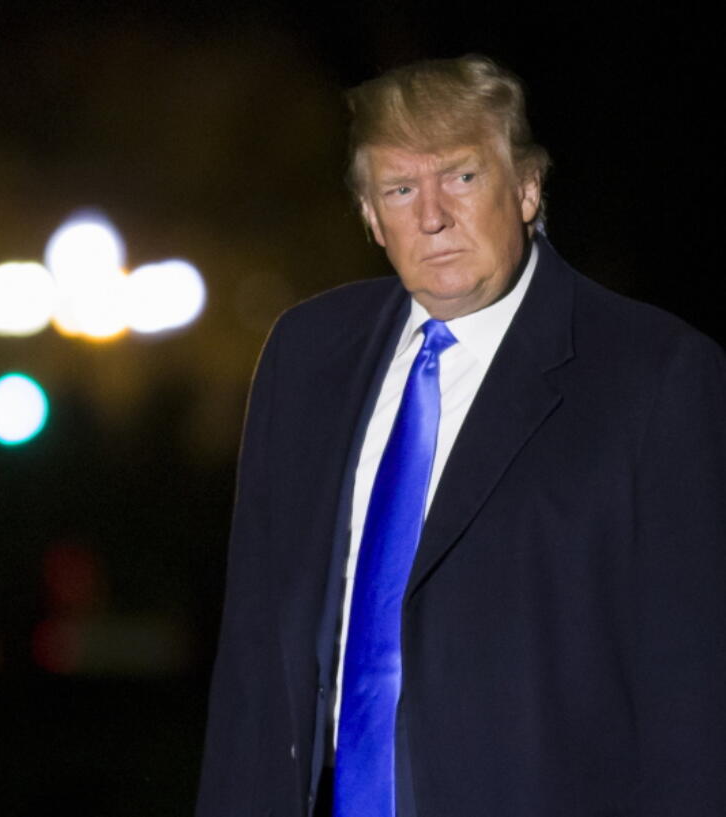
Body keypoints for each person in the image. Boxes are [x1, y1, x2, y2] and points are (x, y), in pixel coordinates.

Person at [195, 55, 726, 817]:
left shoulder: (655, 375)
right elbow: (253, 659)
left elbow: (693, 693)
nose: (432, 215)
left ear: (528, 189)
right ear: (372, 217)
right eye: (400, 188)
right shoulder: (305, 355)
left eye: (462, 177)